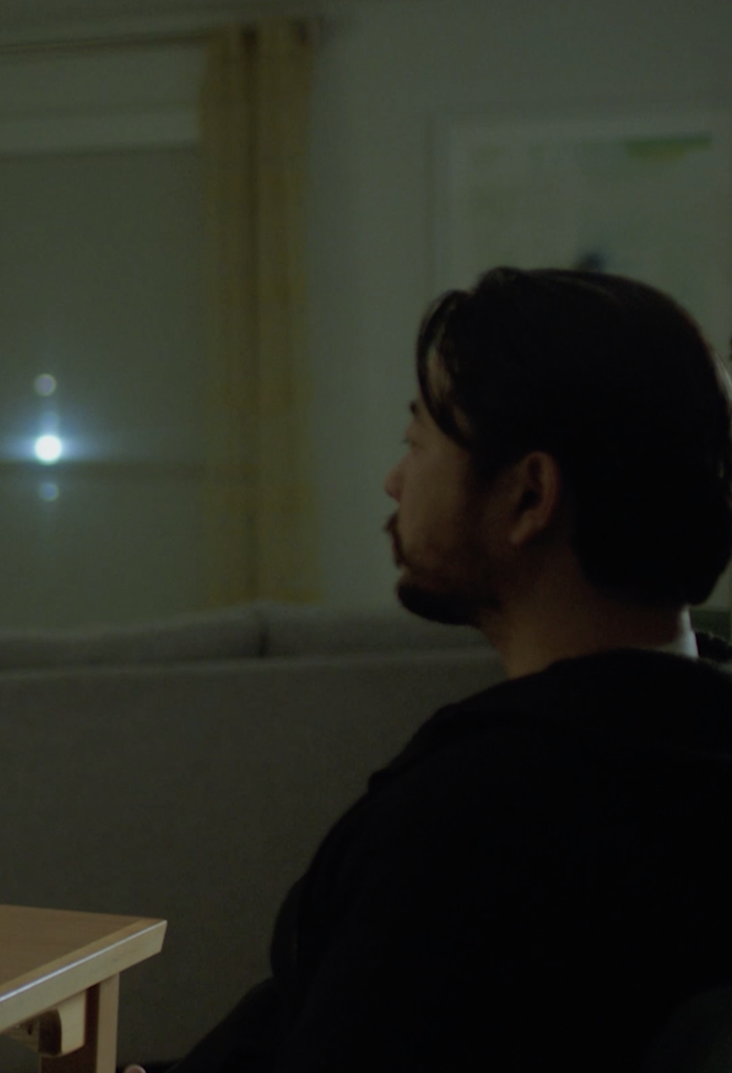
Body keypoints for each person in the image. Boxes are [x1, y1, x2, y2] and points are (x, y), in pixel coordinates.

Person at [156, 268, 732, 1071]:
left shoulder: (473, 824)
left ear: (529, 496)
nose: (395, 480)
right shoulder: (690, 752)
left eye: (416, 441)